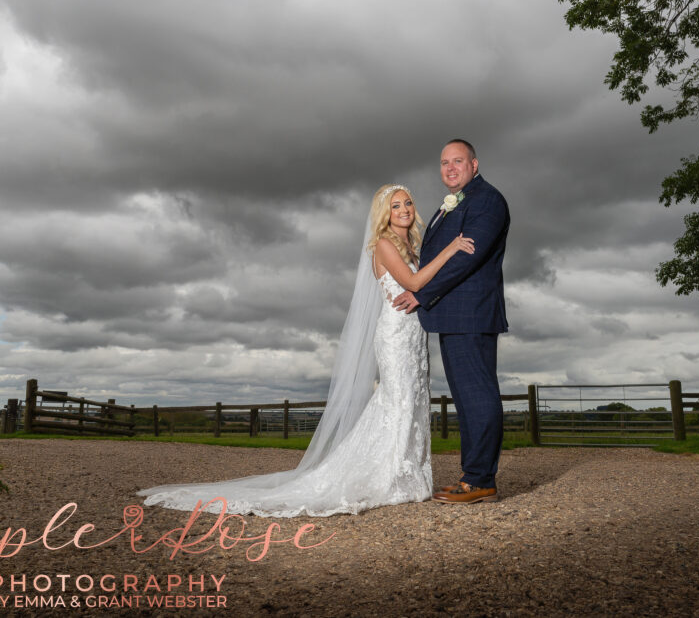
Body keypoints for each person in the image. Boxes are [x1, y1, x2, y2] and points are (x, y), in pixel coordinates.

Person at [136, 184, 473, 517]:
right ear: (385, 214)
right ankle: (390, 479)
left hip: (415, 336)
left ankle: (410, 476)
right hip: (395, 335)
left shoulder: (412, 245)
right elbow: (414, 284)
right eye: (396, 205)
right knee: (398, 401)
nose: (404, 210)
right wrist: (452, 249)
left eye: (408, 203)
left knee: (412, 401)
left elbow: (424, 284)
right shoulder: (384, 245)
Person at [391, 138, 510, 505]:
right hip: (455, 315)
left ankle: (480, 479)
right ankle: (472, 475)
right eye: (444, 163)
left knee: (477, 394)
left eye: (458, 161)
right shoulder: (454, 204)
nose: (450, 168)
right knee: (467, 397)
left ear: (474, 164)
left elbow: (466, 259)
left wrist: (420, 293)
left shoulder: (487, 200)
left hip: (470, 313)